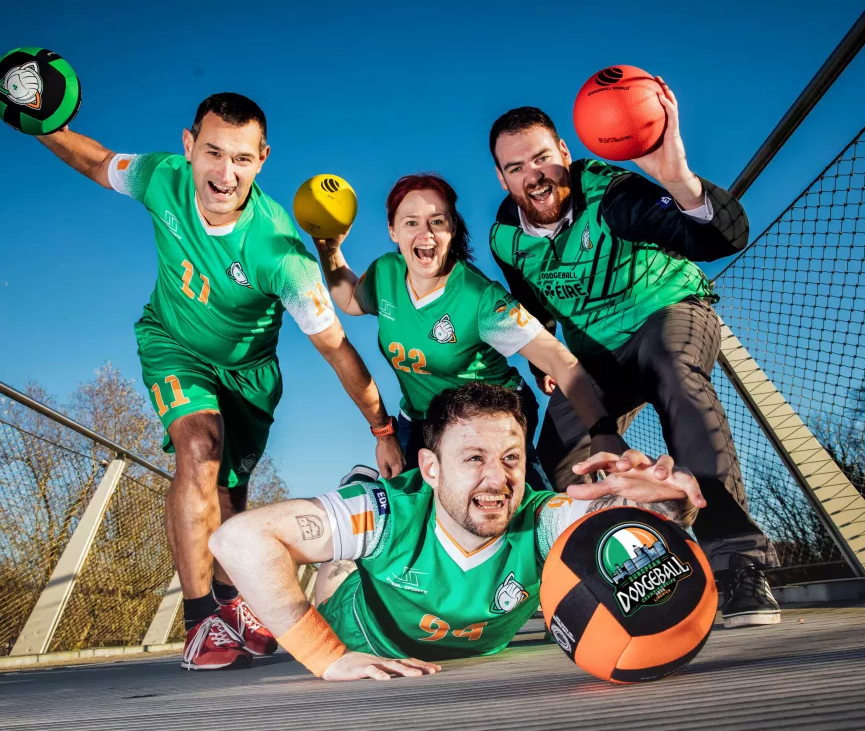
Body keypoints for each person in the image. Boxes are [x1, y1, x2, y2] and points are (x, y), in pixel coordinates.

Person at [31, 92, 405, 670]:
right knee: (199, 449)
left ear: (261, 160)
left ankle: (235, 604)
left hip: (249, 374)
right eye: (212, 153)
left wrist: (381, 427)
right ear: (189, 146)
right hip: (172, 344)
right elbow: (94, 159)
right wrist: (40, 124)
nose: (224, 173)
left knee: (231, 496)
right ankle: (200, 616)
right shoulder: (160, 176)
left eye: (241, 158)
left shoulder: (282, 254)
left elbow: (337, 351)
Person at [485, 81, 779, 628]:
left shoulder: (610, 193)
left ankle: (738, 560)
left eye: (544, 158)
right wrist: (540, 363)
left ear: (565, 156)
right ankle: (645, 551)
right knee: (561, 454)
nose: (536, 175)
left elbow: (721, 238)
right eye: (518, 166)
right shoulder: (506, 237)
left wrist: (678, 182)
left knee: (674, 371)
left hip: (665, 311)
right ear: (502, 178)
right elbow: (533, 308)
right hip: (596, 358)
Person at [208, 381, 705, 680]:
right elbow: (237, 539)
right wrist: (327, 658)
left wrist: (662, 507)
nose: (498, 478)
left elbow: (614, 535)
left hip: (464, 648)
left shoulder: (541, 516)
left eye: (511, 458)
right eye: (473, 459)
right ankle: (352, 501)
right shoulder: (391, 510)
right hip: (364, 630)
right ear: (430, 468)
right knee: (337, 567)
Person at [313, 173, 624, 489]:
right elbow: (351, 300)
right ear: (393, 230)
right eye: (411, 223)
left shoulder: (480, 300)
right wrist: (328, 249)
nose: (426, 234)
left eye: (437, 221)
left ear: (452, 228)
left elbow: (560, 360)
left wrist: (602, 432)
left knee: (505, 501)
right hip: (422, 417)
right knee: (413, 505)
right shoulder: (386, 273)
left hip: (493, 412)